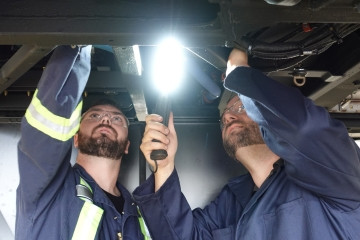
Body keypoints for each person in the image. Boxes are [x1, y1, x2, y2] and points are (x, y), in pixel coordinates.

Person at [133, 48, 360, 239]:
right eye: (225, 116)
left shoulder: (333, 175)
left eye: (241, 107)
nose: (229, 116)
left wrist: (239, 75)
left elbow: (306, 130)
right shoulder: (233, 199)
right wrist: (164, 168)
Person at [15, 45, 149, 240]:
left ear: (127, 145)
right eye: (94, 116)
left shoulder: (137, 214)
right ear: (75, 138)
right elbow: (48, 125)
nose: (106, 120)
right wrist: (77, 43)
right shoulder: (50, 189)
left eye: (117, 119)